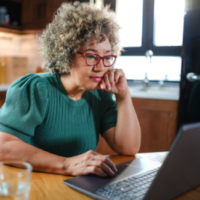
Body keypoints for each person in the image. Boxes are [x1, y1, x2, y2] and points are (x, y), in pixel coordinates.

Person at [0, 1, 141, 177]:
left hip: (77, 186)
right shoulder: (35, 89)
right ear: (66, 54)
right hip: (36, 185)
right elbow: (3, 146)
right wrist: (66, 164)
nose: (100, 67)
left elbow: (128, 148)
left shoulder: (99, 94)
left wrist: (123, 95)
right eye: (91, 56)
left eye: (107, 57)